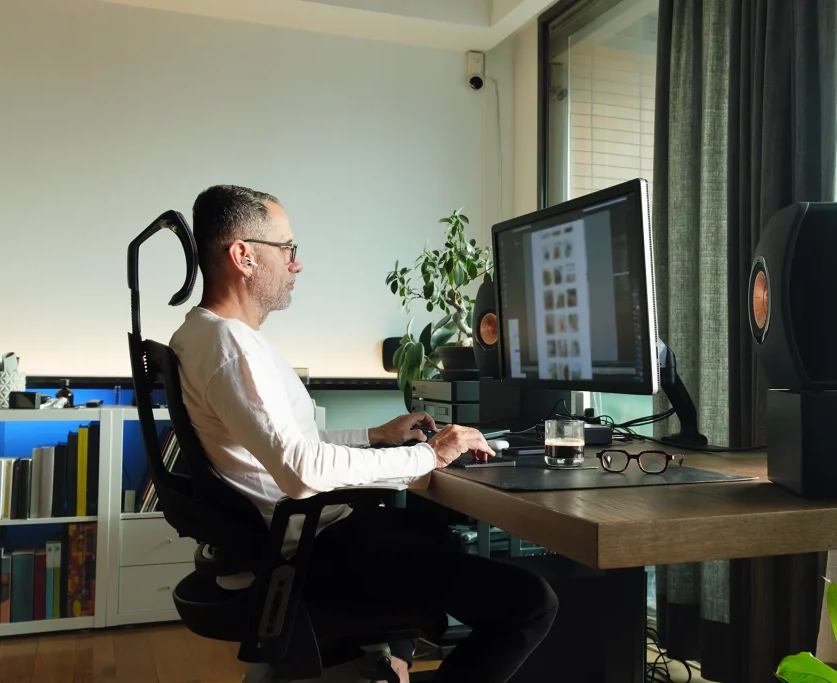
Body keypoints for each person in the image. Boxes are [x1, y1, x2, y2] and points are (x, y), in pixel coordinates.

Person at [169, 185, 558, 683]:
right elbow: (301, 471)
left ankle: (393, 656)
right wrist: (429, 457)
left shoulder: (203, 335)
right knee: (531, 603)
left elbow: (293, 445)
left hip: (303, 537)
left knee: (436, 536)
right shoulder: (229, 346)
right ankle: (396, 651)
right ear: (244, 256)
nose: (297, 264)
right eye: (287, 249)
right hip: (314, 549)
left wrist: (375, 436)